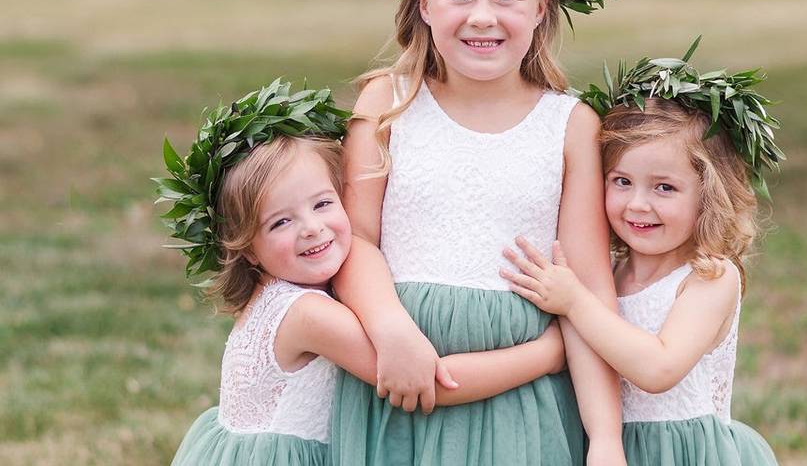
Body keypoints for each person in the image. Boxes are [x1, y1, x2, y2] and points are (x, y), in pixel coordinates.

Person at [330, 0, 628, 466]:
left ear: (542, 7)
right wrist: (390, 329)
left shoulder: (569, 125)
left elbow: (589, 287)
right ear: (424, 1)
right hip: (396, 380)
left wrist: (604, 438)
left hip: (522, 406)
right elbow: (354, 239)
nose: (483, 16)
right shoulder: (387, 104)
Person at [156, 82, 567, 466]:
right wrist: (548, 354)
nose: (311, 228)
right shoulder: (307, 314)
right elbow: (431, 383)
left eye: (321, 204)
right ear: (246, 248)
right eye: (280, 223)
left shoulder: (282, 293)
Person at [502, 44, 782, 465]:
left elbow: (658, 369)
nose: (637, 204)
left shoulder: (709, 277)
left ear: (709, 194)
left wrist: (575, 301)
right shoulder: (609, 276)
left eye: (664, 187)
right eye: (621, 181)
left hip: (686, 454)